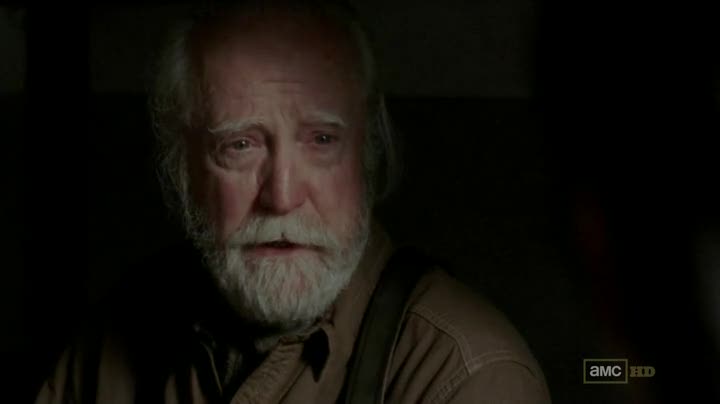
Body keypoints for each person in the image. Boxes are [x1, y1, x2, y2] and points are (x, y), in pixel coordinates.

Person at [35, 1, 551, 402]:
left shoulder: (462, 373)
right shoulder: (119, 333)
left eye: (322, 141)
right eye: (240, 145)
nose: (282, 197)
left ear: (368, 156)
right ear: (182, 170)